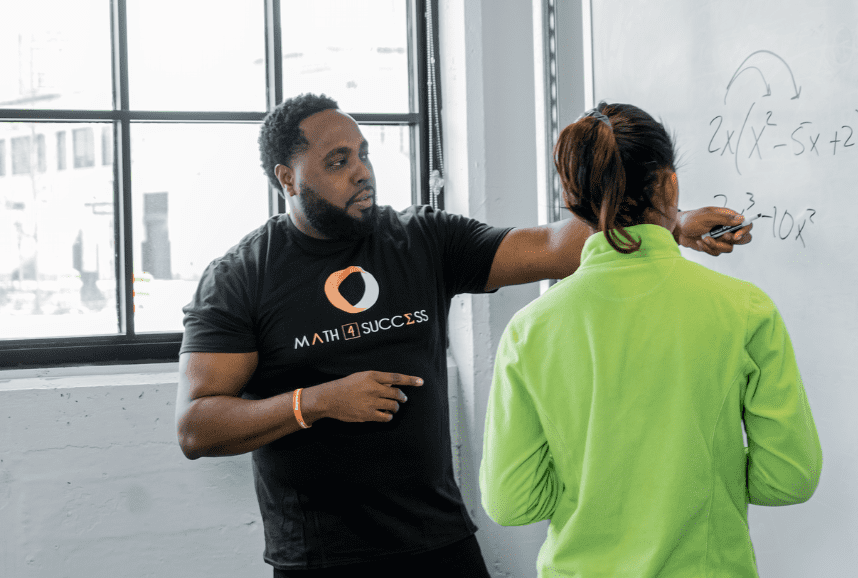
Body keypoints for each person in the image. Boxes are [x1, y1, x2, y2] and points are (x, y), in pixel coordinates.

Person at [173, 93, 754, 577]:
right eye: (337, 161)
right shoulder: (241, 276)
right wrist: (316, 402)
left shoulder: (419, 241)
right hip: (320, 558)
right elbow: (197, 426)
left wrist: (666, 223)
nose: (361, 171)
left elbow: (553, 248)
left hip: (439, 544)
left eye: (364, 155)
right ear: (286, 177)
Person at [479, 102, 822, 577]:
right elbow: (788, 479)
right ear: (669, 185)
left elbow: (511, 503)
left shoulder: (529, 330)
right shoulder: (744, 310)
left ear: (574, 198)